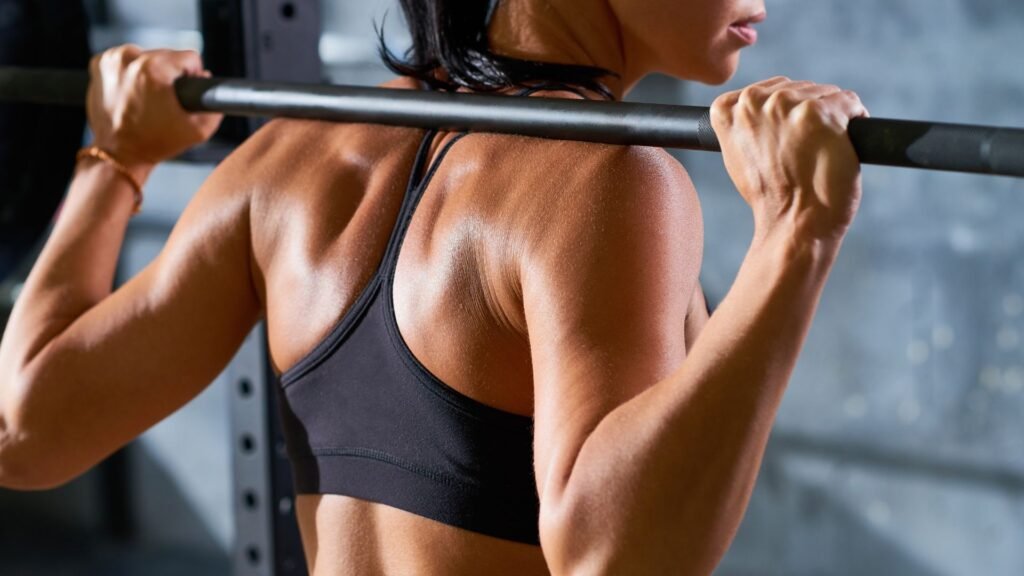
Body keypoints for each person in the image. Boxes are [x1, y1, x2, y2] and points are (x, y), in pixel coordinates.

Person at [0, 0, 868, 574]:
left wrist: (115, 158)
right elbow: (612, 556)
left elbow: (27, 426)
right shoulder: (609, 179)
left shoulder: (285, 159)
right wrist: (797, 235)